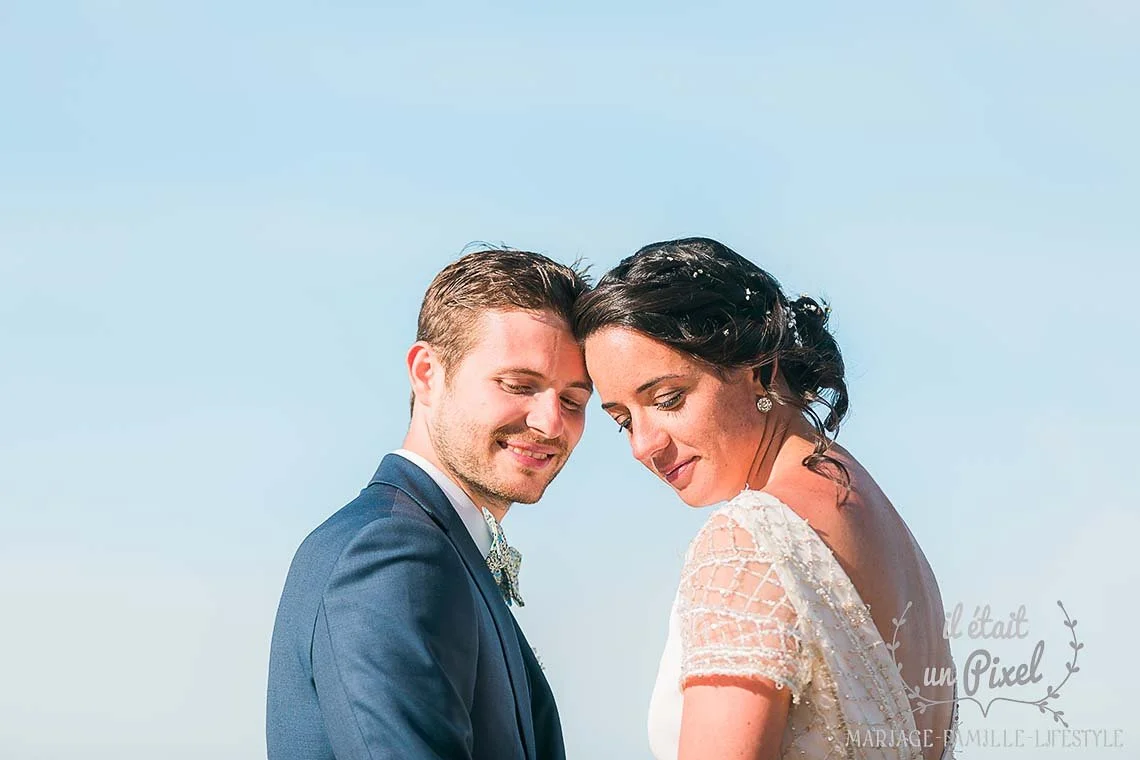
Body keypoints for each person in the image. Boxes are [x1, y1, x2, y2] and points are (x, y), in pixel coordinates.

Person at [573, 237, 956, 760]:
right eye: (623, 422)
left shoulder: (747, 543)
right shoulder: (881, 521)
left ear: (759, 366)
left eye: (668, 399)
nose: (645, 445)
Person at [267, 248, 592, 760]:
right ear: (427, 373)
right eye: (519, 385)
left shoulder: (434, 545)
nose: (552, 423)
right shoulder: (390, 553)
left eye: (573, 400)